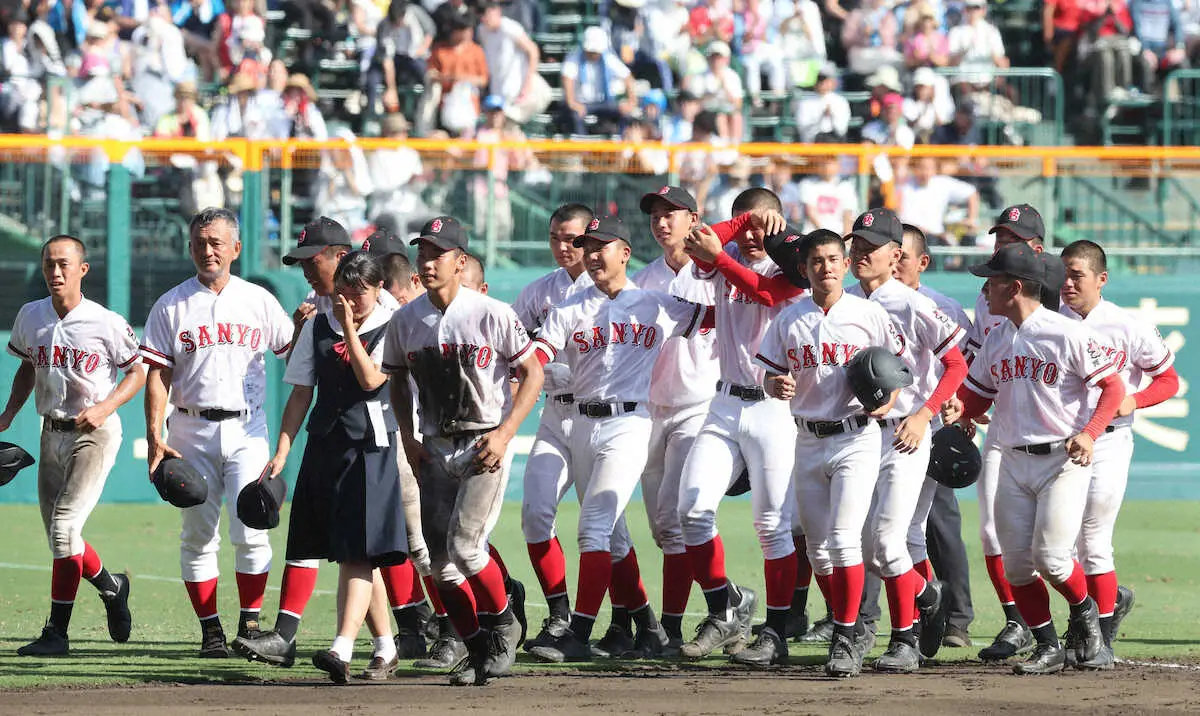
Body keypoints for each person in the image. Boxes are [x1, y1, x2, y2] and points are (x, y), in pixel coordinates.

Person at [525, 216, 711, 663]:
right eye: (586, 246)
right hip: (581, 423)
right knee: (614, 538)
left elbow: (724, 315)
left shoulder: (657, 303)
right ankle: (647, 626)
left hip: (630, 425)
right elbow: (537, 357)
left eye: (600, 246)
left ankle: (578, 633)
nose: (591, 254)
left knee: (593, 527)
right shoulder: (569, 308)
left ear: (624, 253)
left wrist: (718, 258)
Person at [232, 218, 403, 678]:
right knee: (350, 550)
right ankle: (386, 645)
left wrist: (347, 327)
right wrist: (283, 450)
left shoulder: (391, 320)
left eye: (360, 294)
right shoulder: (317, 317)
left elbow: (371, 380)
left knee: (359, 553)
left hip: (372, 446)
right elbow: (301, 390)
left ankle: (343, 648)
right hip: (326, 442)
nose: (351, 302)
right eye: (345, 294)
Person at [947, 242, 1125, 674]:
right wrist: (957, 409)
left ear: (1017, 287)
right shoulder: (998, 337)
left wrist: (1089, 432)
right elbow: (976, 392)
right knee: (1017, 564)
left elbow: (1114, 388)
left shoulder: (1066, 333)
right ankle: (1047, 644)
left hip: (1061, 459)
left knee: (1053, 558)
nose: (985, 289)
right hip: (1012, 458)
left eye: (993, 281)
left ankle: (1087, 621)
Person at [383, 216, 544, 685]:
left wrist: (506, 432)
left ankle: (503, 626)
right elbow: (396, 379)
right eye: (423, 253)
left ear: (460, 261)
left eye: (438, 254)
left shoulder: (491, 312)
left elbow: (532, 372)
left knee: (467, 548)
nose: (428, 262)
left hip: (482, 442)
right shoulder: (405, 320)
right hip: (433, 446)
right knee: (439, 564)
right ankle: (476, 648)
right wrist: (409, 438)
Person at [141, 208, 293, 657]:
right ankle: (211, 633)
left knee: (253, 527)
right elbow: (157, 374)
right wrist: (154, 435)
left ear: (236, 249)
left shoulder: (259, 300)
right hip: (189, 425)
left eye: (216, 242)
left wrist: (307, 319)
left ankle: (250, 626)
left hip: (248, 425)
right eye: (200, 243)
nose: (208, 250)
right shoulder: (171, 303)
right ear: (190, 249)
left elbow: (291, 350)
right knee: (197, 533)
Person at [755, 227, 903, 677]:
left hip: (856, 436)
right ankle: (851, 623)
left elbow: (896, 371)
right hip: (806, 437)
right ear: (804, 269)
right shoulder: (788, 318)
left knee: (841, 539)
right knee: (819, 551)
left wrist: (889, 402)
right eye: (816, 261)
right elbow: (768, 374)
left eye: (833, 259)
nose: (826, 267)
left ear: (844, 264)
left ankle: (845, 635)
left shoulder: (867, 314)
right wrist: (772, 383)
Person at [673, 190, 799, 663]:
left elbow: (764, 292)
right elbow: (693, 244)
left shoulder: (794, 266)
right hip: (725, 403)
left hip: (774, 410)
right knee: (691, 511)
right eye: (743, 227)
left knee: (773, 527)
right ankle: (727, 608)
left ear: (780, 226)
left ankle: (778, 632)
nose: (750, 236)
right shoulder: (723, 254)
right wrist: (743, 219)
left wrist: (769, 230)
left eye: (760, 228)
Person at [4, 235, 143, 656]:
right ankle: (111, 586)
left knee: (64, 530)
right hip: (52, 432)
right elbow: (28, 367)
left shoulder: (105, 321)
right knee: (61, 538)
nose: (56, 272)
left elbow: (137, 372)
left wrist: (104, 407)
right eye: (49, 264)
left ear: (83, 269)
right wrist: (8, 414)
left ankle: (56, 634)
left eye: (64, 264)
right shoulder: (31, 315)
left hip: (94, 433)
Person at [845, 208, 968, 672]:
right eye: (855, 243)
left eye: (870, 246)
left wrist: (925, 413)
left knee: (886, 539)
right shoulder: (846, 302)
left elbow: (956, 365)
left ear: (896, 255)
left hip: (906, 434)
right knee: (857, 543)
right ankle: (918, 598)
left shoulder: (914, 304)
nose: (859, 252)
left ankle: (903, 640)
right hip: (857, 434)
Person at [1058, 240, 1179, 665]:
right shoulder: (1049, 321)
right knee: (1060, 546)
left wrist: (1134, 400)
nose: (1068, 282)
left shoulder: (1126, 326)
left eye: (1078, 275)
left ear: (1101, 279)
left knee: (1093, 538)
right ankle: (1090, 619)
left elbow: (1168, 380)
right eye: (1064, 273)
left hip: (1108, 440)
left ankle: (1101, 633)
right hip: (1061, 441)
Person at [961, 204, 1068, 662]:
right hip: (1004, 432)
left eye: (1012, 237)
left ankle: (1092, 612)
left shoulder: (1053, 301)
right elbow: (976, 364)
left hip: (1060, 439)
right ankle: (1020, 621)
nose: (1001, 243)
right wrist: (965, 407)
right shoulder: (992, 296)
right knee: (994, 534)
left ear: (1035, 247)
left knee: (1058, 548)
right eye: (1000, 235)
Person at [630, 186, 719, 656]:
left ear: (694, 219)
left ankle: (681, 624)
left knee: (678, 517)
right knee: (663, 526)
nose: (662, 222)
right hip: (649, 409)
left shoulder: (714, 276)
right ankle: (700, 618)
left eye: (672, 214)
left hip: (698, 405)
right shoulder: (642, 281)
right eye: (656, 215)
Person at [514, 204, 599, 652]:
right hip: (553, 414)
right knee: (535, 514)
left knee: (606, 527)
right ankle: (560, 614)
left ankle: (634, 618)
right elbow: (510, 345)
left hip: (598, 414)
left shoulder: (609, 289)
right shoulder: (538, 291)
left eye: (573, 238)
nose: (563, 246)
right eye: (555, 237)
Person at [893, 223, 976, 648]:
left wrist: (957, 405)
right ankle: (878, 616)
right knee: (883, 528)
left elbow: (965, 365)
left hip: (929, 425)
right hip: (878, 429)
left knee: (937, 523)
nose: (894, 264)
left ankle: (955, 616)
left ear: (922, 262)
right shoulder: (862, 302)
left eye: (902, 257)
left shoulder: (941, 307)